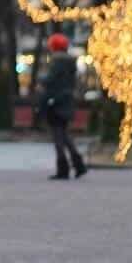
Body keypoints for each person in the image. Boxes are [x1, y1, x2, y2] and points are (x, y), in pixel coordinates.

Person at [38, 33, 87, 180]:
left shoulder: (57, 62)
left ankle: (64, 168)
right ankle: (78, 164)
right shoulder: (71, 62)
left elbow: (49, 80)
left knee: (58, 136)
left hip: (55, 102)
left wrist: (41, 79)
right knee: (64, 135)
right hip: (66, 101)